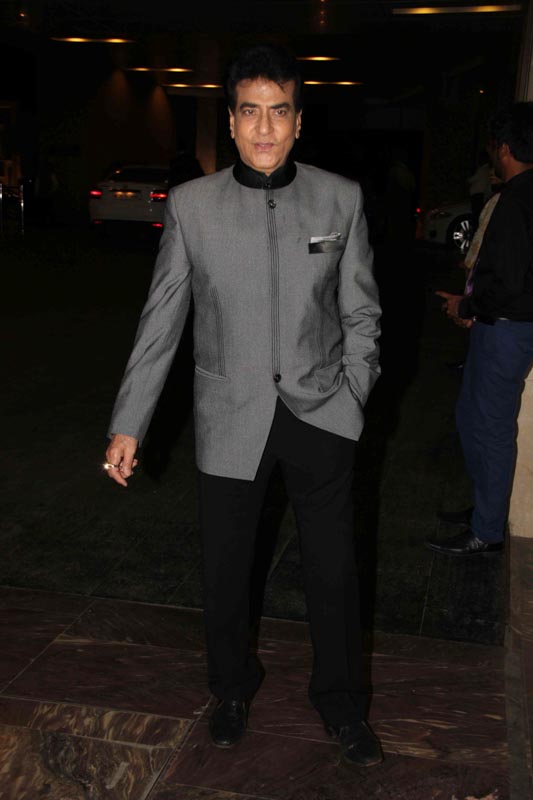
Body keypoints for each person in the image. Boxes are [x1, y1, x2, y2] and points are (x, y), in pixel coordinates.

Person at [104, 43, 382, 765]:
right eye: (249, 112)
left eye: (278, 112)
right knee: (225, 571)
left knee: (333, 571)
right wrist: (129, 423)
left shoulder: (340, 199)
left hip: (322, 412)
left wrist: (353, 393)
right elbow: (161, 320)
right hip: (229, 417)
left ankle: (341, 703)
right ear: (230, 121)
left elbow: (361, 311)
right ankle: (230, 689)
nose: (264, 128)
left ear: (298, 121)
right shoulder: (193, 207)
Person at [427, 102, 533, 556]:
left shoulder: (516, 200)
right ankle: (484, 512)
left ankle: (487, 531)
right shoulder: (523, 195)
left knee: (489, 428)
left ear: (504, 148)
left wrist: (467, 305)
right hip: (504, 325)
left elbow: (508, 282)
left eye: (493, 147)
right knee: (473, 418)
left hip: (506, 329)